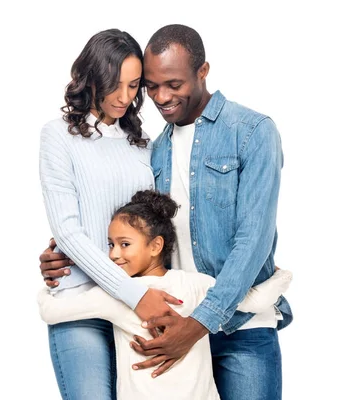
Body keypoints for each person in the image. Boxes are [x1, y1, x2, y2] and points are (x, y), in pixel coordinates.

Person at [39, 24, 293, 400]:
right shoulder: (155, 148)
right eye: (151, 86)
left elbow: (252, 240)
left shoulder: (249, 132)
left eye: (171, 84)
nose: (159, 96)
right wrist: (64, 252)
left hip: (217, 323)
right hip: (156, 314)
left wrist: (201, 321)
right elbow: (117, 225)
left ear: (202, 71)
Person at [38, 28, 182, 400]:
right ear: (91, 78)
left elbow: (157, 225)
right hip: (82, 304)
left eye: (134, 86)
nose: (124, 97)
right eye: (113, 84)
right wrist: (132, 293)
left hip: (142, 302)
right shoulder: (58, 136)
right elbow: (68, 232)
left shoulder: (145, 146)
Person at [37, 190, 292, 400]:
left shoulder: (112, 296)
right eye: (111, 244)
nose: (114, 254)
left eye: (125, 244)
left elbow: (50, 311)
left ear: (156, 245)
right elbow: (256, 300)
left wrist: (52, 282)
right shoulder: (196, 285)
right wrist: (282, 276)